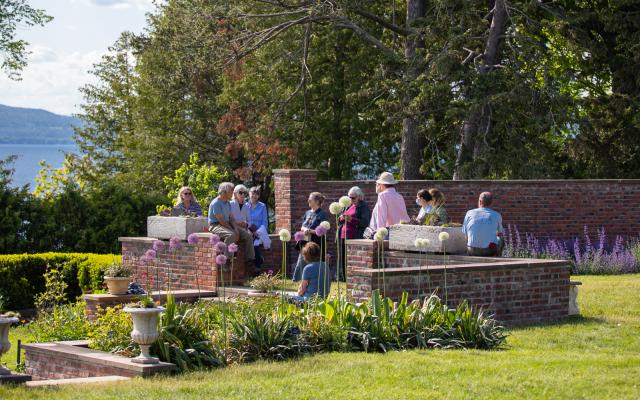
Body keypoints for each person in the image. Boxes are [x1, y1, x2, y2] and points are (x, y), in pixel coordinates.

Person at [208, 182, 255, 267]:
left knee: (248, 235)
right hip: (216, 225)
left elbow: (231, 218)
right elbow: (221, 220)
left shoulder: (228, 203)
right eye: (231, 190)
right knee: (230, 235)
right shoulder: (216, 203)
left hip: (226, 223)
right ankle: (226, 260)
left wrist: (236, 228)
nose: (233, 193)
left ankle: (250, 260)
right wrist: (233, 230)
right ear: (224, 192)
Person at [292, 192, 328, 281]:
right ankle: (297, 280)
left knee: (314, 262)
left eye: (310, 199)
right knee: (301, 260)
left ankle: (313, 280)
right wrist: (304, 229)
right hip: (305, 241)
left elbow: (323, 230)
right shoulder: (307, 213)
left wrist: (311, 231)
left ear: (316, 201)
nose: (308, 200)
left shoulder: (322, 214)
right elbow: (302, 226)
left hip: (316, 243)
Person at [337, 186, 371, 279]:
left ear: (359, 197)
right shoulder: (347, 206)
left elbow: (365, 222)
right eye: (349, 197)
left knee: (351, 258)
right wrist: (340, 218)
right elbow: (339, 220)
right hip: (344, 235)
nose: (350, 199)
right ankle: (343, 277)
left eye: (353, 198)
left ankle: (351, 277)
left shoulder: (363, 207)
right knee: (343, 258)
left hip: (355, 235)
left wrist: (352, 219)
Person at [367, 172, 410, 238]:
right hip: (403, 230)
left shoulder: (382, 195)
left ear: (382, 184)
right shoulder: (400, 196)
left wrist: (379, 233)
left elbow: (381, 216)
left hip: (389, 231)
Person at [462, 192, 504, 256]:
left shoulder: (469, 213)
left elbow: (466, 236)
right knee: (500, 239)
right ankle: (497, 259)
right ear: (491, 202)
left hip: (472, 249)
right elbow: (500, 234)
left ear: (480, 201)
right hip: (489, 250)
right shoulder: (497, 215)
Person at [248, 185, 271, 273]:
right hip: (249, 230)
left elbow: (265, 222)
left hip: (260, 231)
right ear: (249, 194)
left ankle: (257, 266)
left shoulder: (262, 206)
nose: (254, 196)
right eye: (252, 194)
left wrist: (257, 232)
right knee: (251, 241)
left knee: (255, 243)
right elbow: (244, 219)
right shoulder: (245, 205)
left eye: (256, 194)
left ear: (259, 196)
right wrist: (251, 230)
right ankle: (258, 261)